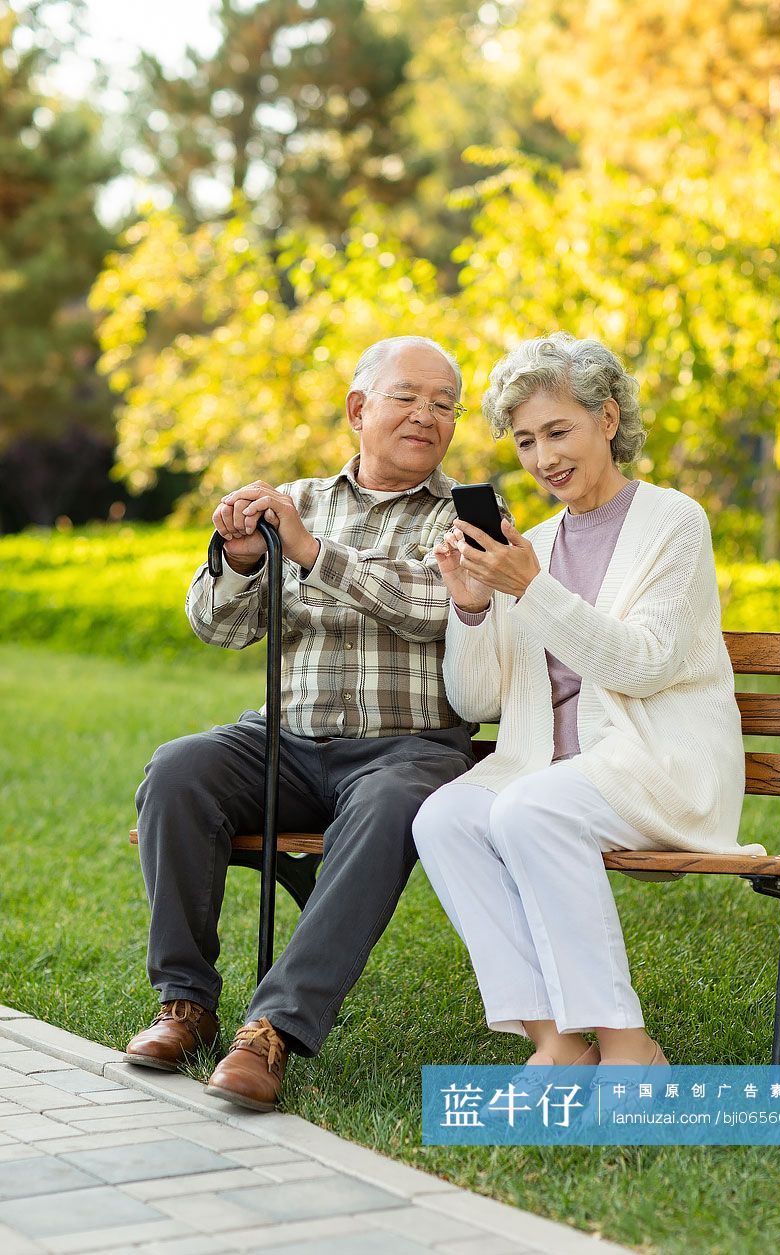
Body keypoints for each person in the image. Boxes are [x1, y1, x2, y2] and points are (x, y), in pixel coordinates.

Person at [125, 335, 480, 1111]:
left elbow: (433, 609)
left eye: (445, 404)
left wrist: (312, 553)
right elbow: (218, 628)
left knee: (391, 805)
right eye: (408, 396)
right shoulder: (295, 498)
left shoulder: (467, 513)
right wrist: (245, 557)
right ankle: (183, 1004)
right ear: (358, 408)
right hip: (283, 741)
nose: (428, 415)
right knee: (179, 768)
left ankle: (273, 1030)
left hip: (407, 748)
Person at [413, 331, 766, 1068]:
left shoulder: (673, 521)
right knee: (444, 816)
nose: (544, 459)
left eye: (558, 431)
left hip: (655, 765)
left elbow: (642, 663)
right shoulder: (529, 542)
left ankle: (629, 1043)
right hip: (546, 769)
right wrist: (472, 605)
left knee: (528, 807)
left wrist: (528, 588)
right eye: (525, 441)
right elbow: (477, 697)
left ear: (607, 420)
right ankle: (555, 1039)